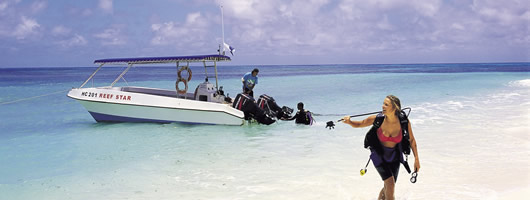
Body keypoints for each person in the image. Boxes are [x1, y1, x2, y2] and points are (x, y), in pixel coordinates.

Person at [342, 95, 420, 200]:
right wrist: (349, 122)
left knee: (389, 185)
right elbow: (360, 124)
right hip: (379, 155)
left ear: (395, 107)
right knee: (390, 184)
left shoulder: (403, 121)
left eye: (386, 104)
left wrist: (416, 160)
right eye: (383, 103)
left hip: (395, 156)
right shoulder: (378, 119)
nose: (383, 106)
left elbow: (412, 140)